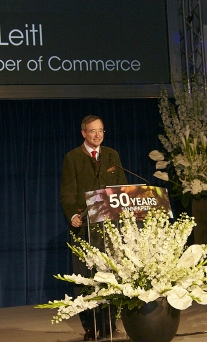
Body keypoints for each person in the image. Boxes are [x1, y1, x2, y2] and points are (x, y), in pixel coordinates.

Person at [60, 115, 127, 341]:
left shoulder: (111, 155)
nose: (97, 135)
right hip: (85, 226)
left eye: (101, 130)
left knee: (111, 275)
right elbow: (67, 192)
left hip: (110, 225)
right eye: (92, 131)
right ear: (83, 133)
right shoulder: (73, 157)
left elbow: (122, 188)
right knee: (85, 278)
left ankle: (109, 324)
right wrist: (72, 215)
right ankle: (90, 325)